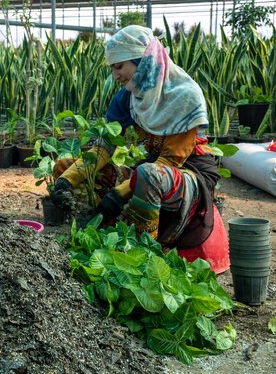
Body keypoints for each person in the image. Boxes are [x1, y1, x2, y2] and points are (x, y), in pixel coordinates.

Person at [52, 25, 220, 250]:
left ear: (143, 60)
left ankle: (144, 250)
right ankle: (100, 232)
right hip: (149, 170)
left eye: (119, 66)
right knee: (65, 166)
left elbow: (169, 161)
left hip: (189, 172)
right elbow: (103, 148)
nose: (115, 76)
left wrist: (118, 194)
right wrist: (67, 179)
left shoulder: (185, 95)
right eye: (112, 68)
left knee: (147, 174)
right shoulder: (128, 97)